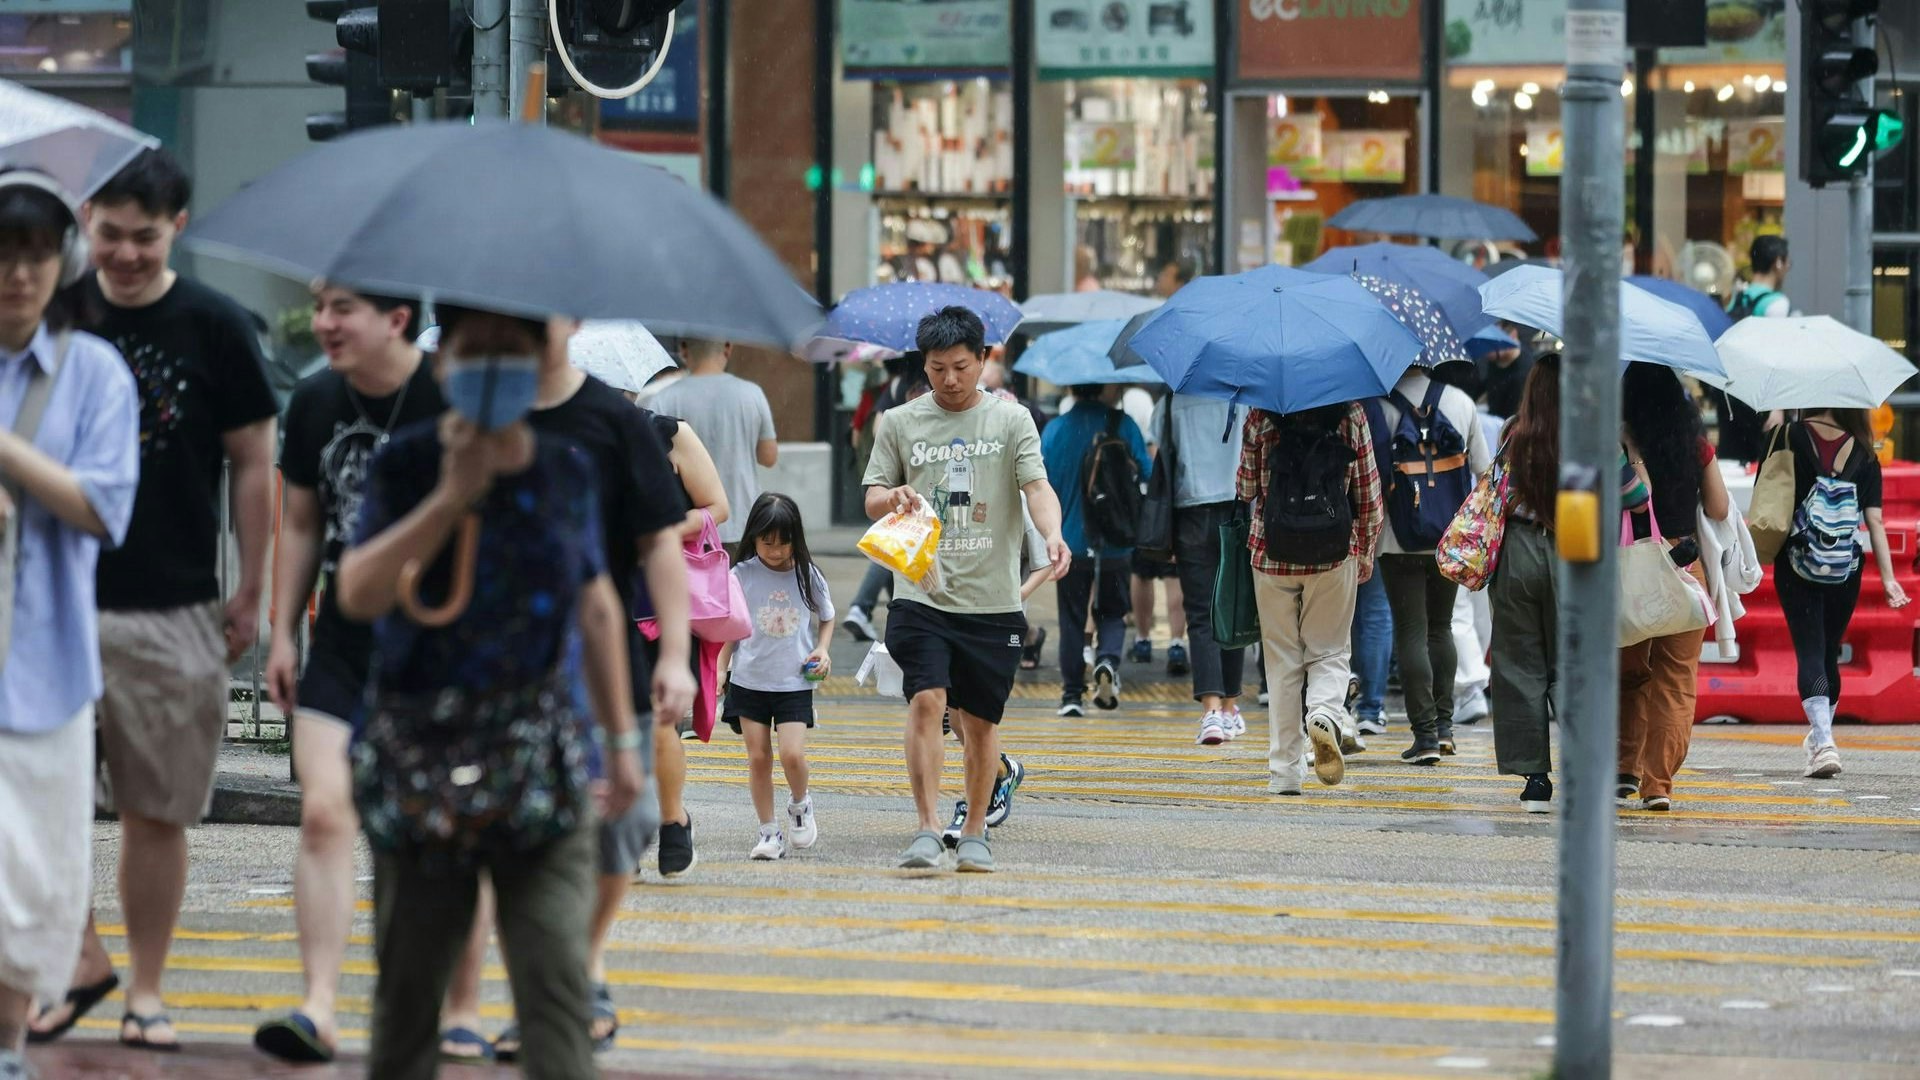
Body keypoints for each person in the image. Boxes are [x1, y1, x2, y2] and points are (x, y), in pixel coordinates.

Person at [335, 306, 647, 1080]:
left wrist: (621, 742)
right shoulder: (404, 463)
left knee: (556, 989)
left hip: (541, 767)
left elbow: (598, 605)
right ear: (443, 363)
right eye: (476, 350)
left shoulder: (564, 466)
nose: (494, 366)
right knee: (409, 998)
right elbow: (358, 592)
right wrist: (449, 498)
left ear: (544, 356)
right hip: (420, 766)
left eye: (514, 350)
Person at [32, 149, 279, 1053]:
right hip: (47, 602)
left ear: (176, 226)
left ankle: (143, 990)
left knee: (157, 808)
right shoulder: (52, 317)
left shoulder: (213, 324)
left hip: (173, 603)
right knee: (35, 802)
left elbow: (254, 464)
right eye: (109, 236)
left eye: (144, 237)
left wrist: (252, 587)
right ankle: (80, 958)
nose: (125, 255)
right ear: (85, 220)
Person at [437, 316, 697, 1063]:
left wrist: (676, 655)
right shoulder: (467, 413)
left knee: (626, 823)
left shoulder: (615, 420)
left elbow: (660, 542)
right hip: (492, 663)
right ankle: (530, 993)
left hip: (602, 658)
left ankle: (579, 966)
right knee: (505, 835)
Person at [249, 284, 444, 1064]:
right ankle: (319, 1006)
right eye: (321, 306)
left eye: (343, 309)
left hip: (434, 646)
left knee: (432, 834)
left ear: (396, 319)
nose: (323, 323)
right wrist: (282, 631)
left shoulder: (446, 396)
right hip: (343, 640)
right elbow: (299, 520)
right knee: (326, 814)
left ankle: (450, 1008)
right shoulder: (315, 399)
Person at [0, 170, 140, 1077]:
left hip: (44, 661)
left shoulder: (94, 372)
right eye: (4, 254)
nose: (19, 274)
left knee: (35, 880)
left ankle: (8, 1045)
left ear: (65, 261)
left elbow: (103, 507)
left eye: (38, 254)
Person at [863, 306, 1069, 872]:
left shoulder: (1011, 420)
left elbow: (1037, 486)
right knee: (928, 702)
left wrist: (1053, 534)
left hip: (992, 600)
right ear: (923, 367)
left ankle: (975, 828)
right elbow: (872, 497)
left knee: (978, 722)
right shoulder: (900, 422)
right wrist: (894, 496)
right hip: (921, 593)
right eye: (936, 369)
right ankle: (928, 827)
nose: (949, 380)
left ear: (983, 360)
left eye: (960, 366)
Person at [1490, 355, 1650, 812]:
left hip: (1518, 551)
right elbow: (1637, 499)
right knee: (1573, 665)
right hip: (1574, 549)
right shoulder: (1593, 433)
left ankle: (1535, 782)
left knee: (1519, 666)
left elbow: (1497, 490)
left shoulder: (1512, 434)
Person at [644, 337, 772, 879]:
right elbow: (769, 455)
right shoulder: (561, 440)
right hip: (597, 588)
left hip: (676, 575)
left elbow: (712, 503)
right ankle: (630, 824)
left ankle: (672, 820)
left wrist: (674, 523)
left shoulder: (665, 424)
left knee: (656, 718)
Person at [1237, 402, 1381, 795]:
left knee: (1282, 662)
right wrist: (1365, 549)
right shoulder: (1350, 414)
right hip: (1333, 551)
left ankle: (1284, 771)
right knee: (1330, 651)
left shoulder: (1260, 414)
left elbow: (1245, 488)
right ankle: (1322, 713)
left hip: (1272, 551)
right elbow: (1368, 493)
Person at [1616, 363, 1731, 811]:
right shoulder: (1695, 445)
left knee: (1628, 672)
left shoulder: (1618, 444)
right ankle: (1658, 784)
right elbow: (1720, 509)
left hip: (1632, 568)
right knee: (1676, 679)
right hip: (1685, 569)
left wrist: (1630, 448)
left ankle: (1623, 770)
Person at [1773, 407, 1908, 780]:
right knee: (1829, 648)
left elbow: (1770, 494)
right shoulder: (1865, 450)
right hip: (1845, 567)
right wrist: (1889, 579)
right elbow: (1875, 520)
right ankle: (1821, 741)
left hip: (1796, 560)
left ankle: (1824, 740)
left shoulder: (1791, 436)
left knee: (1809, 648)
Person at [1371, 366, 1494, 764]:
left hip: (1396, 537)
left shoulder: (1379, 407)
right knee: (1441, 627)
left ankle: (1423, 737)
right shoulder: (1460, 402)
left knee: (1410, 629)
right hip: (1449, 539)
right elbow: (1484, 472)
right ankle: (1444, 731)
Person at [720, 493, 833, 861]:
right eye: (767, 541)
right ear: (753, 536)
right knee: (758, 759)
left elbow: (827, 615)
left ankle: (800, 803)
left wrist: (823, 649)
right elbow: (730, 629)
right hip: (749, 680)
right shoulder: (741, 576)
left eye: (783, 541)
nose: (775, 549)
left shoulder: (806, 574)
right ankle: (769, 832)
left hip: (795, 682)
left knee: (792, 754)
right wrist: (721, 669)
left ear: (795, 538)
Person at [1041, 384, 1151, 716]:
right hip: (1115, 541)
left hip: (1070, 542)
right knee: (1113, 612)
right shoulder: (1123, 424)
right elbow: (1147, 473)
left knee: (1072, 618)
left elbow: (1041, 485)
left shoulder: (1055, 429)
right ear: (1104, 386)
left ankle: (1072, 695)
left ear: (1071, 388)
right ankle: (1107, 661)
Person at [1151, 392, 1250, 746]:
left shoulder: (1169, 403)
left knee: (1201, 613)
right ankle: (1229, 708)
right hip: (1236, 509)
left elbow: (1161, 456)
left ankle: (1210, 711)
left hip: (1189, 513)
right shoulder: (1242, 396)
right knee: (1234, 609)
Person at [648, 338, 776, 546]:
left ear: (683, 350)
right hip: (746, 521)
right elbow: (768, 457)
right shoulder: (752, 394)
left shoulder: (664, 399)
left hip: (691, 529)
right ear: (728, 348)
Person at [1711, 236, 1791, 463]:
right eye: (1787, 263)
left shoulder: (1736, 298)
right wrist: (1778, 407)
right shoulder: (1776, 304)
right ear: (1778, 263)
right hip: (1761, 403)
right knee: (1765, 471)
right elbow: (1779, 357)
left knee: (1733, 466)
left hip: (1731, 399)